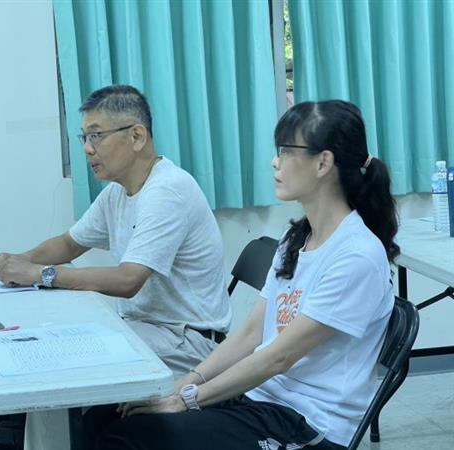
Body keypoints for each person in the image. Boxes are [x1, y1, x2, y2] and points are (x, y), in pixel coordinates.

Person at [91, 100, 400, 450]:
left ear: (323, 163)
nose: (275, 161)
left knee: (134, 437)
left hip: (307, 425)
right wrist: (186, 383)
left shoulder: (356, 256)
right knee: (106, 415)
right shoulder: (297, 238)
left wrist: (186, 400)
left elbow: (278, 357)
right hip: (260, 401)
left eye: (286, 151)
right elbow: (252, 333)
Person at [0, 84, 232, 449]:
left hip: (186, 343)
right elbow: (70, 243)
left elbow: (128, 280)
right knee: (46, 346)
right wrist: (16, 262)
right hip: (147, 330)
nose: (87, 148)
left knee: (53, 368)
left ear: (136, 136)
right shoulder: (119, 191)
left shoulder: (167, 192)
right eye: (84, 137)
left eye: (96, 136)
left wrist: (40, 274)